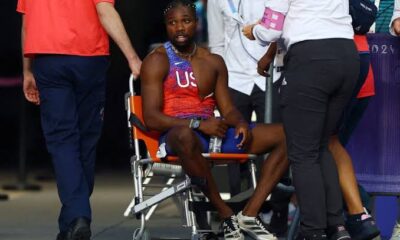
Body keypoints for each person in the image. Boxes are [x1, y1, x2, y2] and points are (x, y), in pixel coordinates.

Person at [140, 1, 289, 239]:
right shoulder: (156, 60)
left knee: (288, 135)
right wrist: (197, 124)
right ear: (166, 27)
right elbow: (151, 118)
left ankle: (249, 214)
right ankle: (226, 214)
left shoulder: (213, 61)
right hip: (177, 135)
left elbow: (228, 109)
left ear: (196, 24)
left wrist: (239, 122)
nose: (180, 28)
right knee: (185, 135)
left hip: (210, 135)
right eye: (173, 23)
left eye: (186, 21)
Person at [17, 0, 142, 239]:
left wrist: (27, 70)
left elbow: (26, 25)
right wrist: (132, 57)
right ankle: (75, 218)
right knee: (85, 140)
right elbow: (104, 9)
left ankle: (75, 219)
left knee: (62, 140)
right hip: (89, 59)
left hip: (48, 58)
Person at [242, 0, 360, 239]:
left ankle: (313, 232)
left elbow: (272, 28)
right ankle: (337, 228)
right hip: (347, 55)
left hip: (311, 60)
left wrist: (253, 30)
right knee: (320, 146)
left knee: (303, 153)